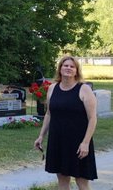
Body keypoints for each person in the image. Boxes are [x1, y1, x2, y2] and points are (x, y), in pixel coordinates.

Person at [34, 55, 98, 190]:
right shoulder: (52, 88)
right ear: (60, 69)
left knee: (82, 183)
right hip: (58, 141)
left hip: (78, 143)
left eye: (72, 66)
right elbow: (49, 114)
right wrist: (41, 136)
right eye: (65, 65)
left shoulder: (84, 89)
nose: (68, 68)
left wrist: (85, 143)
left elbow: (92, 118)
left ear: (76, 71)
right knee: (62, 182)